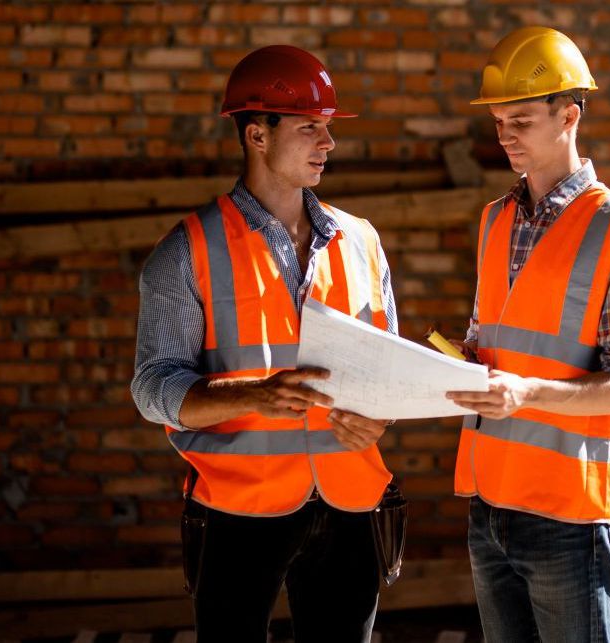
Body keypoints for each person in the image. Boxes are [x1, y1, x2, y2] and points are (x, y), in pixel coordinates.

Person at [131, 45, 398, 643]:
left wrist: (377, 417)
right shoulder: (187, 251)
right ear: (257, 135)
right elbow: (153, 390)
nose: (326, 143)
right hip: (236, 511)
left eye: (327, 129)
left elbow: (389, 370)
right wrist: (255, 395)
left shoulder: (361, 241)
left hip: (351, 502)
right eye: (309, 128)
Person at [446, 26, 610, 643]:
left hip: (570, 517)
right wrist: (454, 366)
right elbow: (491, 340)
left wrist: (526, 393)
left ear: (568, 115)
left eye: (521, 119)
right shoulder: (495, 221)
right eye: (498, 121)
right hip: (491, 505)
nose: (505, 136)